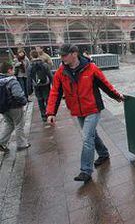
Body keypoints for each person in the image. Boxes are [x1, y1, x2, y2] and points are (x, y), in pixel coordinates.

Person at [46, 44, 124, 183]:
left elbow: (105, 84)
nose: (61, 58)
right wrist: (51, 112)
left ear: (74, 54)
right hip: (77, 109)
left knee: (87, 137)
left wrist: (116, 96)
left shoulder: (91, 68)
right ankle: (104, 153)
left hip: (93, 108)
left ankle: (85, 170)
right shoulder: (61, 72)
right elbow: (55, 92)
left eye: (64, 55)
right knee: (91, 135)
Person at [0, 61, 30, 153]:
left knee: (9, 124)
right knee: (19, 124)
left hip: (3, 107)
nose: (13, 71)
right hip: (14, 106)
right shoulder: (12, 80)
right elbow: (17, 94)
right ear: (9, 70)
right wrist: (24, 101)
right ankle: (21, 144)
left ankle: (1, 142)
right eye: (12, 69)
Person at [27, 50, 53, 124]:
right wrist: (53, 84)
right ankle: (49, 114)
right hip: (46, 84)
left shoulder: (30, 66)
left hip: (36, 85)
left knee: (40, 100)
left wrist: (29, 89)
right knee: (47, 99)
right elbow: (50, 75)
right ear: (38, 55)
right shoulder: (44, 64)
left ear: (31, 56)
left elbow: (29, 78)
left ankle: (43, 116)